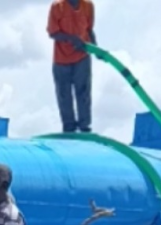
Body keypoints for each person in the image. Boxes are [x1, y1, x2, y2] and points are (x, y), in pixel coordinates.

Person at [48, 0, 95, 133]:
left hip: (82, 56)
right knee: (64, 94)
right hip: (61, 59)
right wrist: (72, 38)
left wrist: (96, 47)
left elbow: (89, 29)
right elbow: (53, 32)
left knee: (83, 91)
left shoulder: (88, 6)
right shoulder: (57, 7)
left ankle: (84, 126)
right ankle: (69, 127)